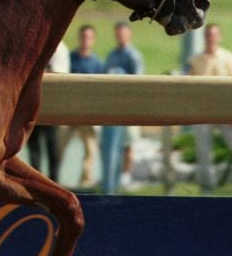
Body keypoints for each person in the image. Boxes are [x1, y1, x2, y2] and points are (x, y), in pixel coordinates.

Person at [186, 23, 232, 192]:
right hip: (203, 111)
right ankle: (207, 188)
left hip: (227, 110)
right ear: (204, 37)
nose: (211, 38)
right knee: (203, 150)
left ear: (219, 37)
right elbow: (189, 86)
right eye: (208, 34)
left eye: (214, 34)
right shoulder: (195, 60)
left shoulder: (228, 58)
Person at [58, 25, 105, 187]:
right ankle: (55, 179)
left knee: (90, 150)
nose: (86, 40)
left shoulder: (98, 64)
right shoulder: (70, 58)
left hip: (87, 114)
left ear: (93, 40)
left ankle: (85, 182)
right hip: (69, 112)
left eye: (89, 37)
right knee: (59, 147)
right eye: (83, 37)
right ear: (79, 38)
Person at [99, 22, 144, 194]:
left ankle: (124, 177)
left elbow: (138, 81)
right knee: (109, 147)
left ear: (129, 35)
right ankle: (109, 182)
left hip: (127, 107)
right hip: (111, 108)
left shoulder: (134, 56)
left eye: (123, 34)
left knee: (127, 144)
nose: (120, 37)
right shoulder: (111, 54)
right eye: (118, 34)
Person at [26, 41, 70, 182]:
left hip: (51, 104)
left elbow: (59, 75)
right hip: (34, 103)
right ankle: (36, 180)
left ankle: (53, 181)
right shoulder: (38, 44)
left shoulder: (60, 48)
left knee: (52, 146)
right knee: (34, 146)